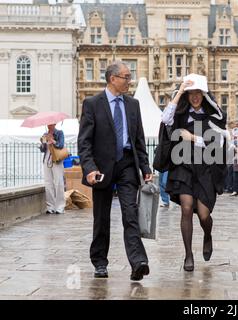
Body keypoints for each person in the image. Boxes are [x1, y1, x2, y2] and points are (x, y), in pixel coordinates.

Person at [78, 61, 153, 281]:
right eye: (126, 77)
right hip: (101, 168)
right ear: (113, 78)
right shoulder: (92, 104)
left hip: (127, 165)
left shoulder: (133, 104)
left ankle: (138, 261)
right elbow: (84, 142)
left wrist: (145, 167)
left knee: (131, 214)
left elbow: (138, 139)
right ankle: (100, 262)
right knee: (101, 217)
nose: (129, 81)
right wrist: (89, 168)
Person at [161, 76, 227, 272]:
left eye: (199, 93)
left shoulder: (213, 116)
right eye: (192, 94)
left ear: (204, 95)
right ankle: (188, 254)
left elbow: (219, 144)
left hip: (205, 168)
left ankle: (207, 235)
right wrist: (180, 90)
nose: (195, 97)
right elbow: (165, 119)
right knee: (186, 208)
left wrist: (193, 138)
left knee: (204, 215)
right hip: (183, 166)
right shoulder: (181, 113)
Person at [39, 124, 65, 215]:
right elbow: (42, 150)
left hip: (56, 160)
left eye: (51, 123)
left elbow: (61, 145)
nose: (49, 125)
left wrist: (53, 141)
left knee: (58, 182)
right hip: (47, 160)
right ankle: (50, 207)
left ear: (54, 124)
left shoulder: (59, 133)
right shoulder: (45, 134)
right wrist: (43, 143)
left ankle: (60, 207)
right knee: (48, 183)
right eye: (48, 123)